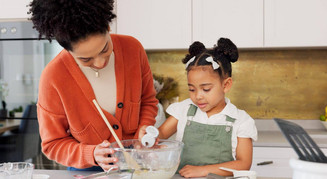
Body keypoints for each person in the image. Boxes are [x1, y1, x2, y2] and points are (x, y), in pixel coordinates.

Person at [28, 0, 158, 171]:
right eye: (86, 59)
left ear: (108, 28)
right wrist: (91, 154)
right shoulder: (53, 77)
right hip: (87, 170)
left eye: (105, 49)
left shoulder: (132, 49)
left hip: (136, 164)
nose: (100, 62)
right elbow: (52, 144)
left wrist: (144, 128)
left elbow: (148, 101)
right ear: (67, 50)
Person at [157, 38, 258, 178]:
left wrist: (203, 170)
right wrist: (149, 135)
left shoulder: (241, 120)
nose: (198, 96)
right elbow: (160, 135)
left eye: (206, 89)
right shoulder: (184, 109)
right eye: (192, 89)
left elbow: (243, 164)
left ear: (226, 85)